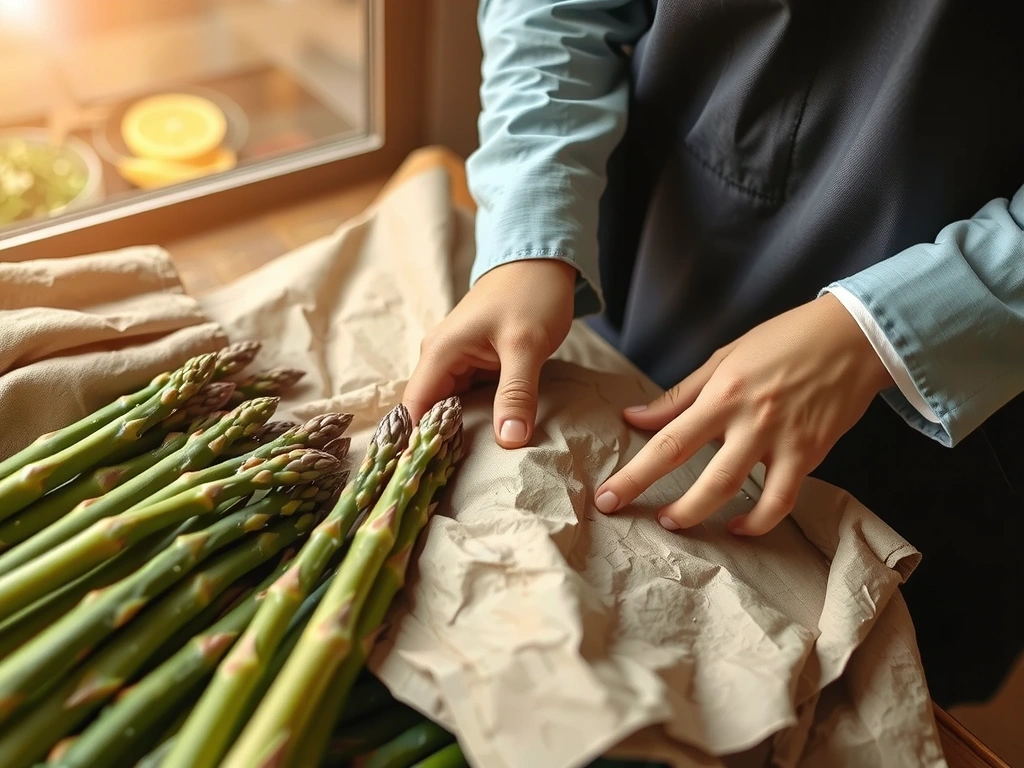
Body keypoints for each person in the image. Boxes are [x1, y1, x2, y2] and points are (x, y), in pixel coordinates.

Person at [403, 0, 1024, 707]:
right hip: (658, 263)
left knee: (869, 699)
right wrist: (531, 222)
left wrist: (886, 329)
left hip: (969, 403)